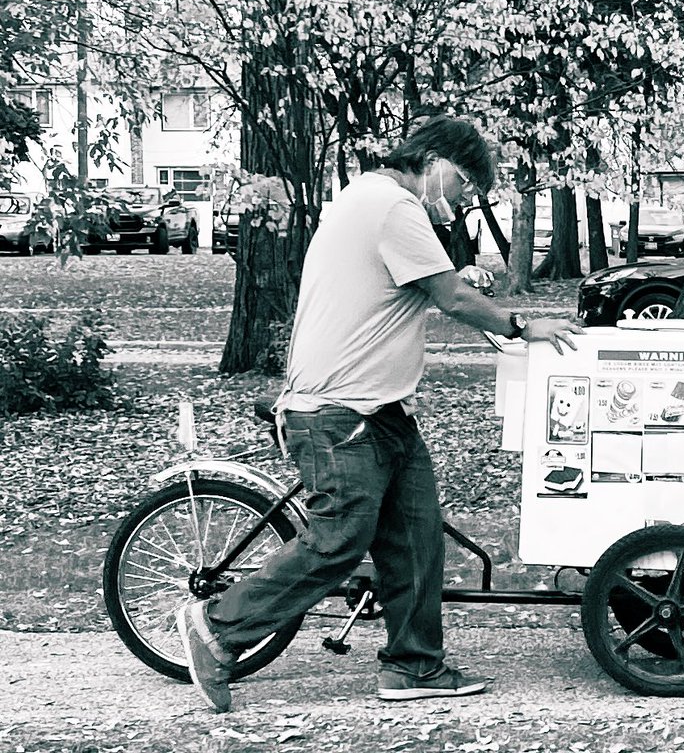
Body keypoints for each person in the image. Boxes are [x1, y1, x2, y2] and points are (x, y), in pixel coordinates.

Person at [176, 117, 581, 713]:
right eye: (466, 184)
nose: (466, 200)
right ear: (435, 159)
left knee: (416, 538)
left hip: (381, 409)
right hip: (340, 410)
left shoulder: (374, 199)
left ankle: (414, 666)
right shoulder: (392, 206)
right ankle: (217, 626)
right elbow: (450, 298)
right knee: (339, 539)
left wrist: (458, 279)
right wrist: (523, 324)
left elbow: (413, 286)